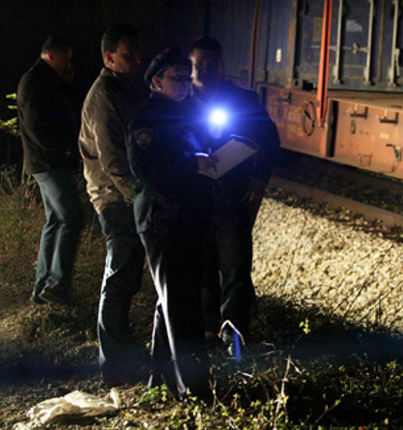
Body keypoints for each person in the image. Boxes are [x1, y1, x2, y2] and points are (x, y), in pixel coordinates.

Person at [127, 47, 215, 404]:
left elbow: (203, 150)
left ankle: (161, 378)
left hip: (190, 216)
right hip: (162, 218)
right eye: (176, 78)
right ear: (156, 81)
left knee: (175, 299)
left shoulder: (189, 113)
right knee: (180, 302)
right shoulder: (146, 120)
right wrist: (192, 166)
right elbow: (146, 171)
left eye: (186, 77)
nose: (184, 84)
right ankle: (191, 389)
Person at [189, 37, 280, 355]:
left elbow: (269, 139)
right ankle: (206, 330)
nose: (203, 69)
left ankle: (235, 337)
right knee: (201, 267)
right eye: (198, 63)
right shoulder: (181, 102)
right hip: (196, 198)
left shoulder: (243, 100)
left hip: (232, 196)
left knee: (235, 266)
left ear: (222, 65)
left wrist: (258, 179)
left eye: (210, 63)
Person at [78, 24, 147, 386]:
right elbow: (112, 159)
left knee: (126, 276)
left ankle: (122, 356)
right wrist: (140, 196)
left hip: (123, 196)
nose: (136, 60)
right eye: (128, 56)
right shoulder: (105, 94)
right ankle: (114, 365)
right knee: (119, 277)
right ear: (109, 58)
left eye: (138, 54)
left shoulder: (126, 89)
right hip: (114, 197)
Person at [17, 35, 83, 306]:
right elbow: (37, 127)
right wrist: (64, 149)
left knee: (56, 220)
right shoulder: (35, 81)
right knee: (71, 218)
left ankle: (43, 287)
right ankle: (55, 286)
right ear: (52, 56)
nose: (69, 62)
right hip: (48, 162)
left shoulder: (46, 80)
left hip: (48, 161)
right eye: (66, 57)